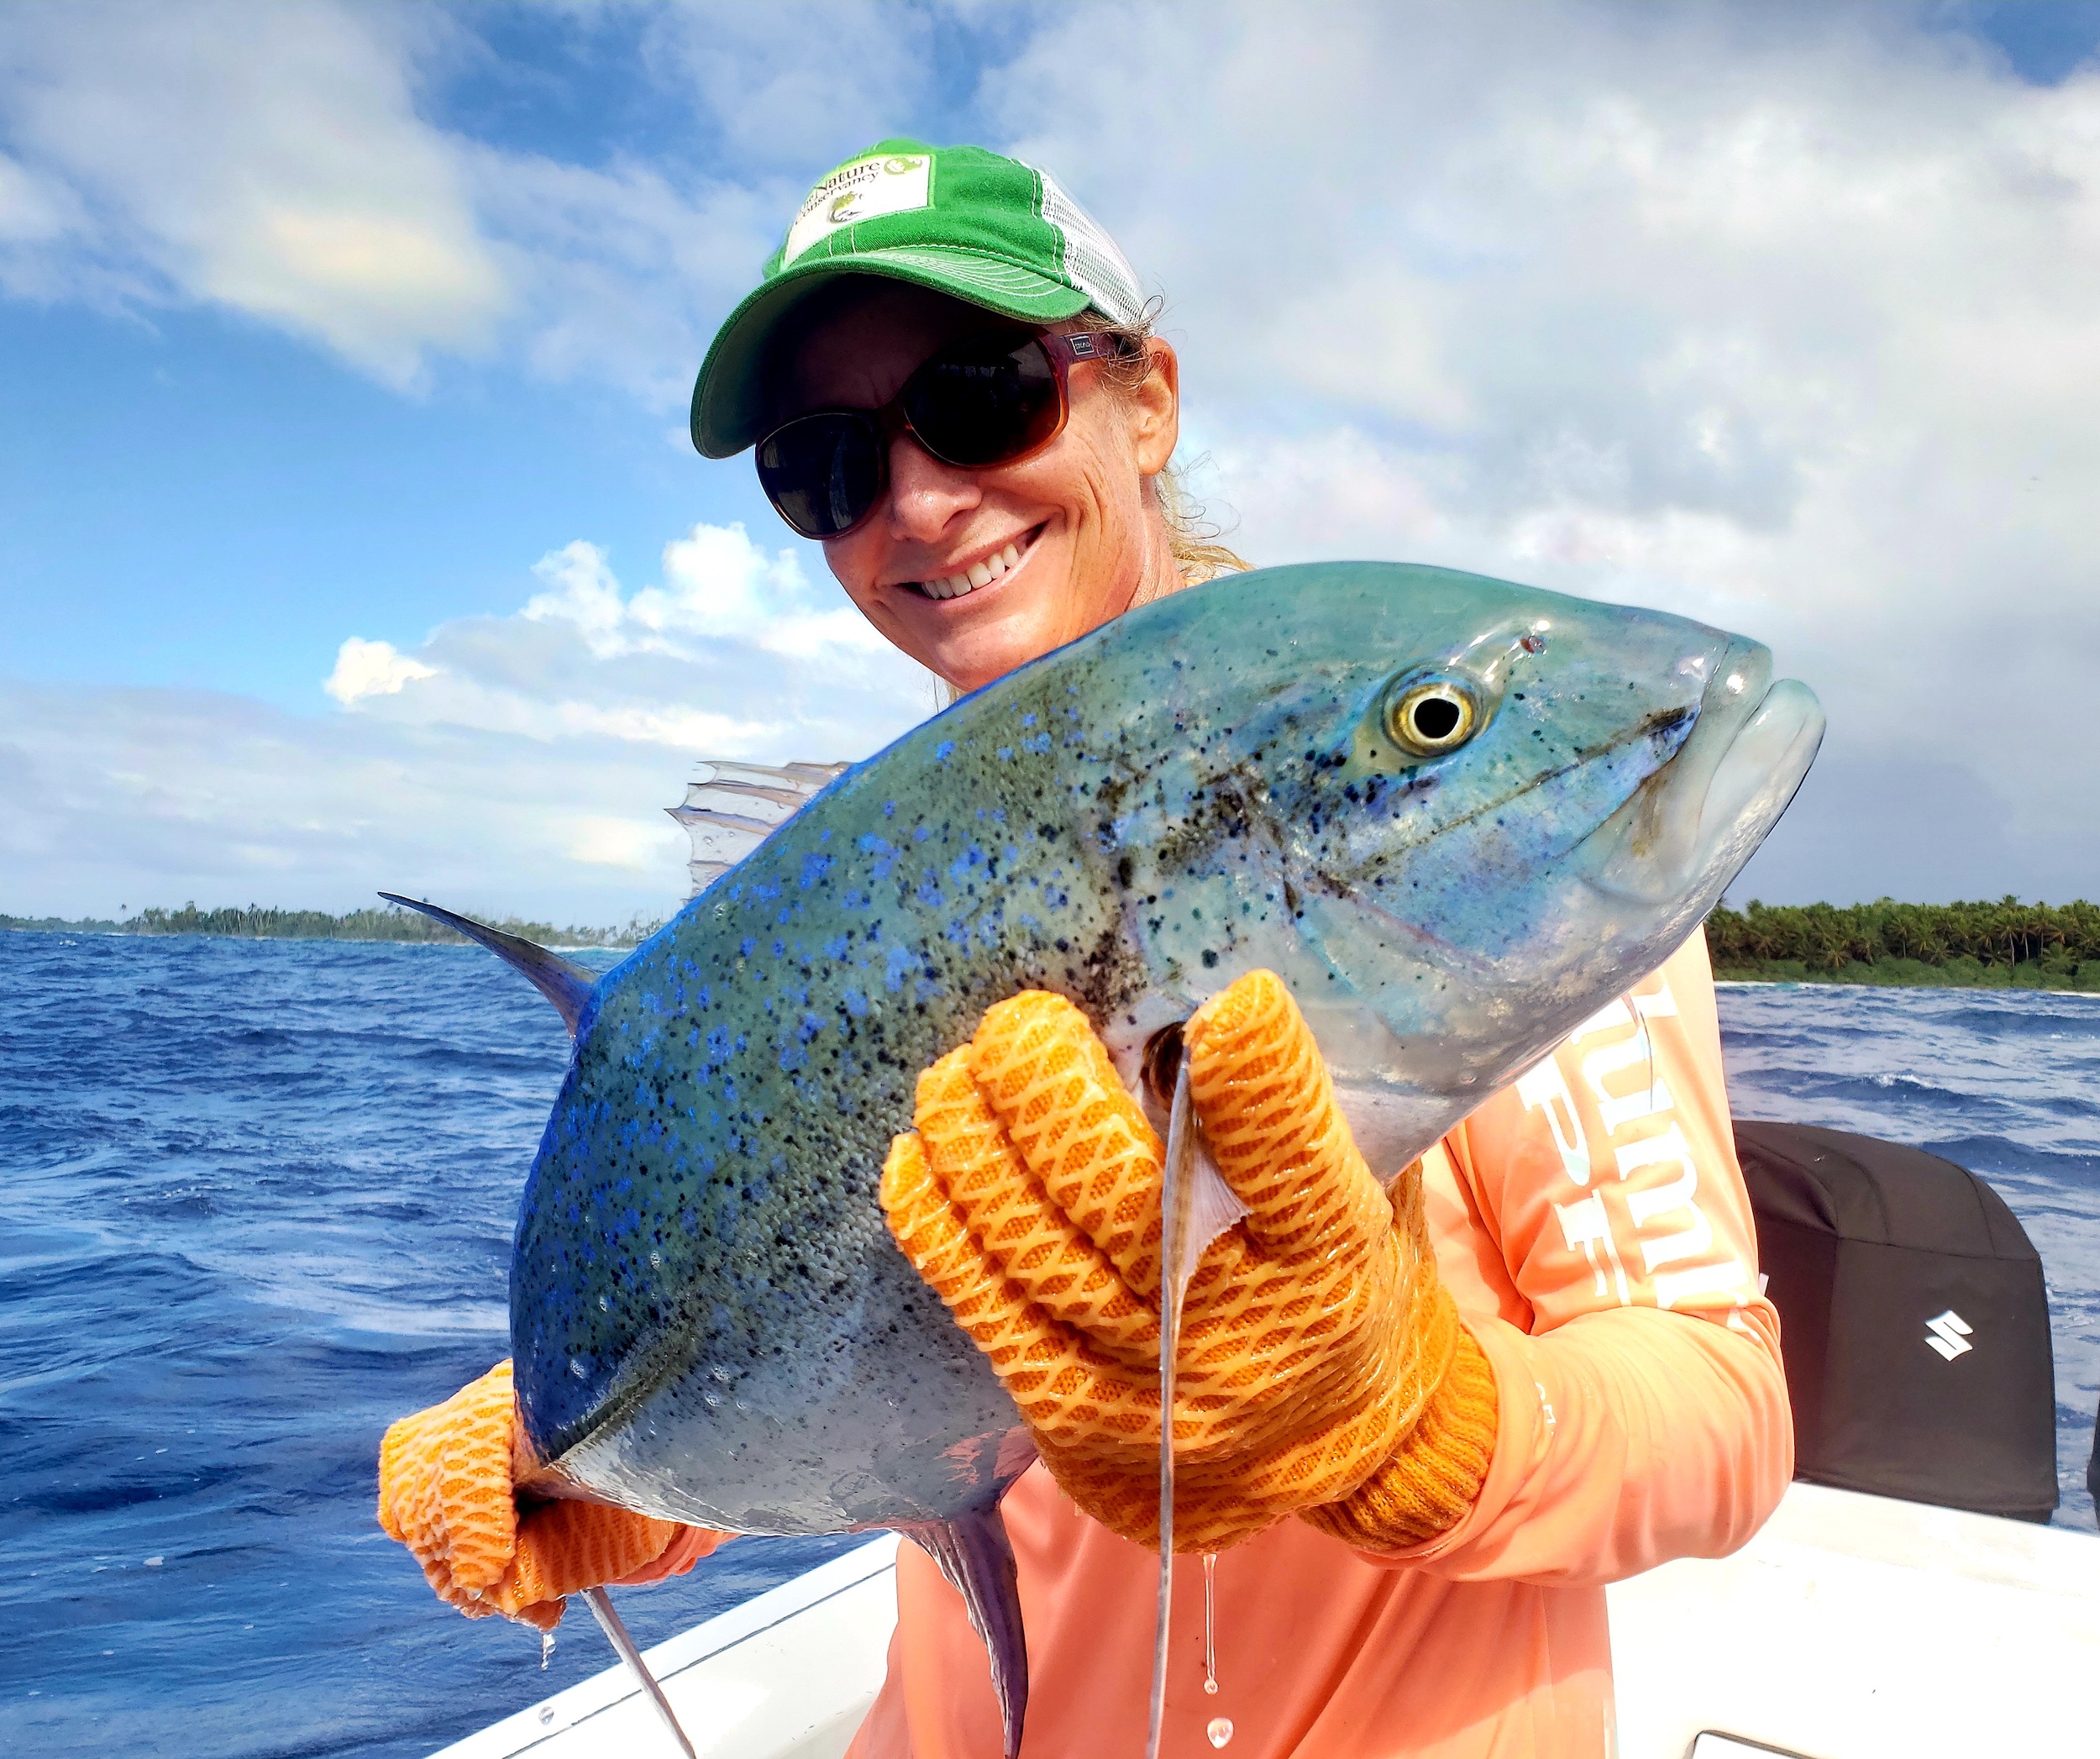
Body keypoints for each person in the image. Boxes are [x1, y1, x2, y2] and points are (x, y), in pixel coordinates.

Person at [379, 139, 1792, 1757]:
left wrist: (1415, 1416)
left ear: (1147, 398)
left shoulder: (1466, 826)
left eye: (983, 392)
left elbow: (1723, 1411)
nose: (917, 499)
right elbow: (890, 1360)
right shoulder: (862, 907)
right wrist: (599, 1478)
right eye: (825, 464)